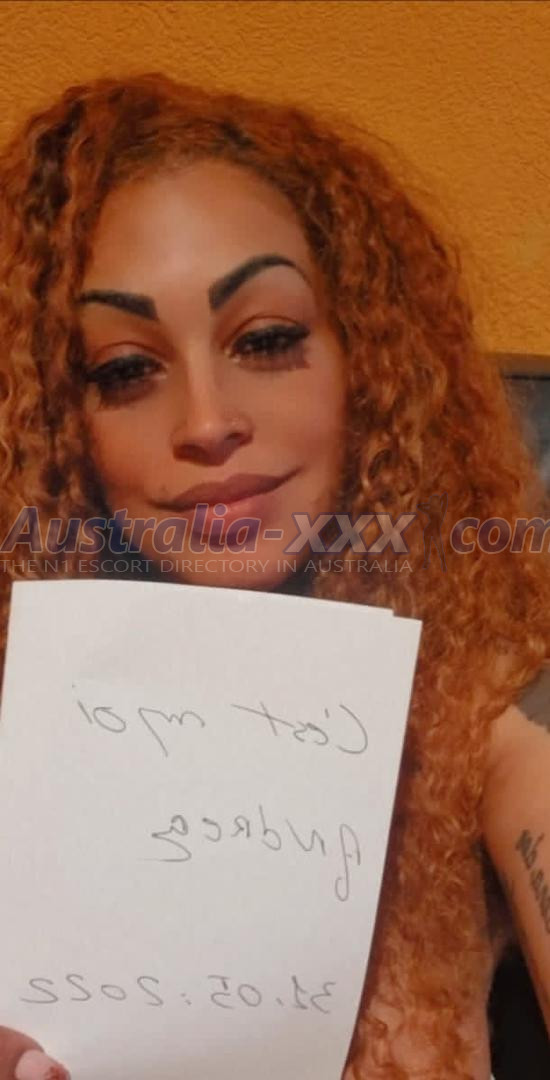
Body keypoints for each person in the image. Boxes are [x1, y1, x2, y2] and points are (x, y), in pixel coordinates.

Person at [0, 72, 549, 1080]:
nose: (208, 422)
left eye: (265, 340)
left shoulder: (496, 705)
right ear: (53, 425)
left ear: (369, 362)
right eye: (124, 368)